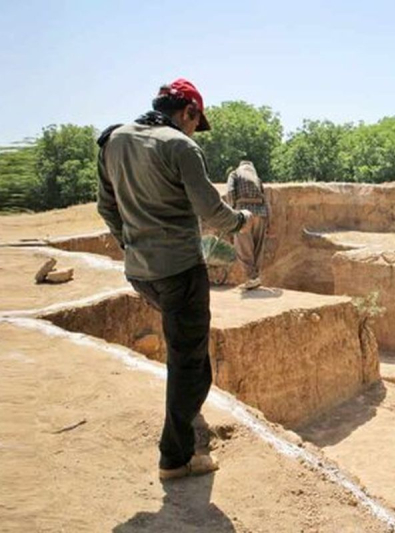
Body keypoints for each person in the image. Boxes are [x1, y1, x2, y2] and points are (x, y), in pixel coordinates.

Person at [96, 78, 254, 480]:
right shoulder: (180, 146)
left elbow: (106, 206)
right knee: (190, 364)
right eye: (194, 122)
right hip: (180, 271)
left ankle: (184, 420)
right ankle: (177, 457)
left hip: (140, 273)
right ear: (188, 112)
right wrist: (240, 221)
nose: (193, 130)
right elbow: (211, 210)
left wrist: (130, 244)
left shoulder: (113, 140)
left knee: (182, 348)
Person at [226, 160, 269, 290]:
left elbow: (230, 192)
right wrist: (269, 220)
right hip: (261, 213)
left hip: (244, 213)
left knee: (243, 246)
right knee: (258, 247)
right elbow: (265, 200)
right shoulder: (257, 179)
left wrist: (232, 211)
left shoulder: (234, 174)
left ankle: (251, 278)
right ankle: (256, 277)